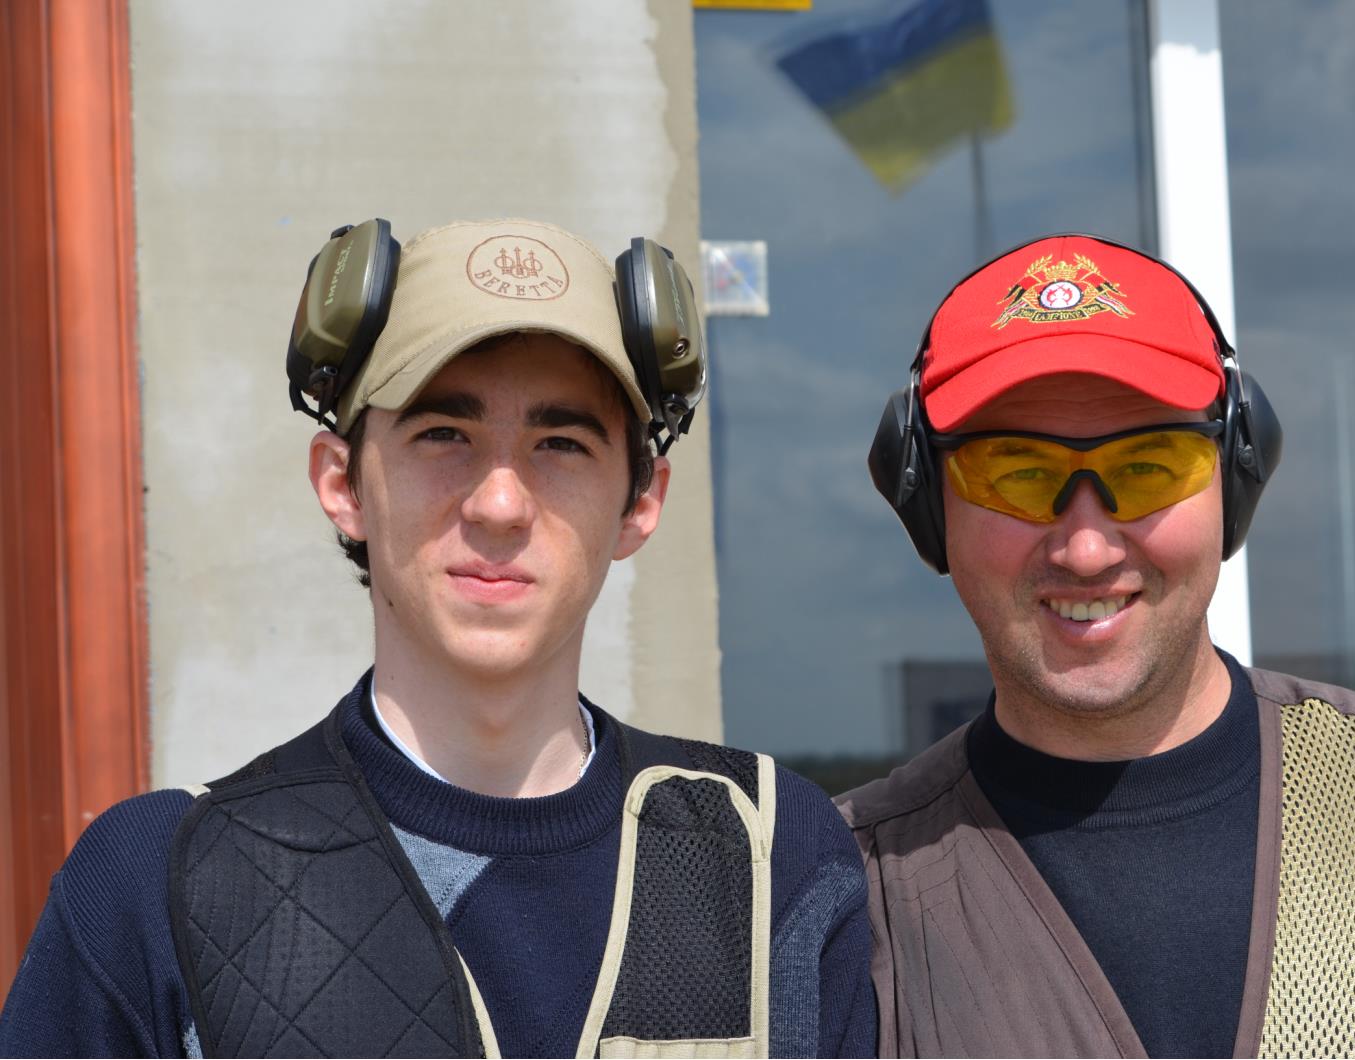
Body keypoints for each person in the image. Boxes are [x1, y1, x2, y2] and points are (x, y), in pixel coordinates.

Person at [1, 218, 874, 1058]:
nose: (499, 504)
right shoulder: (154, 885)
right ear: (342, 483)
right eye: (443, 434)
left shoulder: (770, 856)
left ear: (639, 503)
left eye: (561, 443)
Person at [840, 233, 1355, 1058]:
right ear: (924, 502)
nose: (1086, 550)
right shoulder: (851, 895)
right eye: (1015, 472)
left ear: (1237, 477)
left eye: (1150, 467)